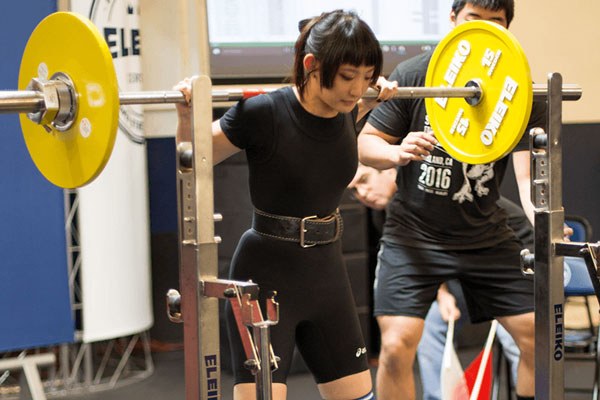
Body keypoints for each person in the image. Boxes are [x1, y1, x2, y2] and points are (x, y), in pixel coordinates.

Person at [175, 10, 397, 400]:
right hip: (266, 276)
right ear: (312, 65)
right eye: (348, 76)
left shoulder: (350, 109)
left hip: (327, 271)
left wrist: (374, 92)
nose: (357, 89)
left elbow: (352, 111)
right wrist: (185, 116)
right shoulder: (264, 113)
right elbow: (192, 157)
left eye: (366, 77)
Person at [356, 1, 545, 399]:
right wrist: (397, 153)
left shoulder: (516, 85)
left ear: (507, 28)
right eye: (474, 19)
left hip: (485, 233)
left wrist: (545, 221)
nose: (484, 28)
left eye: (496, 22)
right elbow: (366, 143)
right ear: (454, 20)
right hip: (414, 234)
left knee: (537, 337)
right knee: (394, 346)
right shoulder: (417, 73)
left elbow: (530, 181)